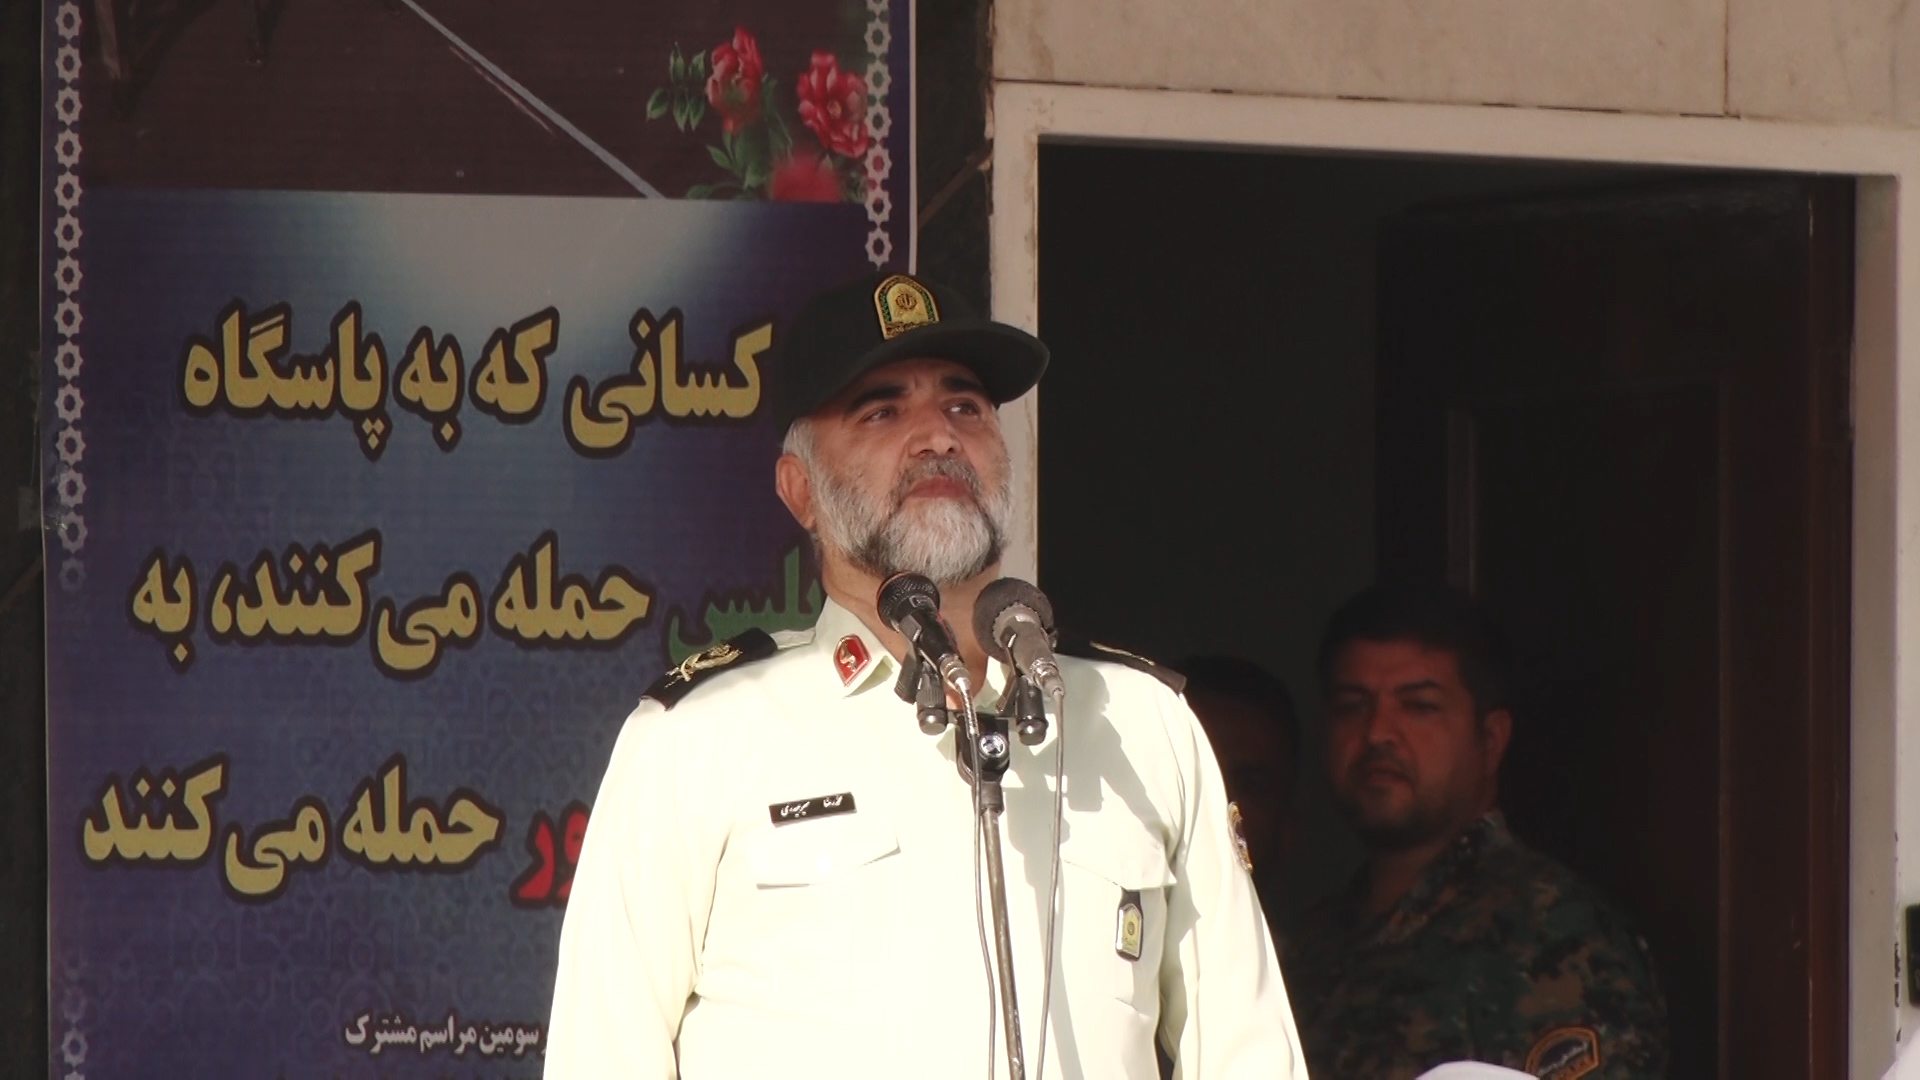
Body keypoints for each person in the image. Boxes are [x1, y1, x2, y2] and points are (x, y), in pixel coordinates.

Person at [543, 271, 1307, 1079]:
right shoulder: (700, 738)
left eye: (965, 407)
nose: (937, 437)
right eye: (882, 411)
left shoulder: (1140, 724)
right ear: (800, 491)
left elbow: (1248, 1055)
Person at [1283, 583, 1669, 1080]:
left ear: (1490, 738)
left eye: (1419, 706)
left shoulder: (1552, 935)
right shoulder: (1310, 947)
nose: (1377, 732)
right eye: (1351, 705)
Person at [1177, 655, 1301, 930]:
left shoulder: (1313, 953)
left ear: (1288, 830)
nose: (1217, 804)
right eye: (1190, 776)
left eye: (1249, 785)